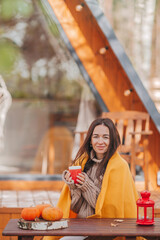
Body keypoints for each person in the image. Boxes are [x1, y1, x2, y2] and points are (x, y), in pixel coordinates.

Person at [44, 118, 139, 240]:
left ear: (112, 140)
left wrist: (86, 185)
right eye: (96, 137)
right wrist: (73, 186)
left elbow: (108, 210)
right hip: (80, 226)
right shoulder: (81, 162)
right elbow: (75, 208)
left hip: (106, 229)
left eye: (105, 137)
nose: (100, 141)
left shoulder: (120, 167)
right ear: (90, 140)